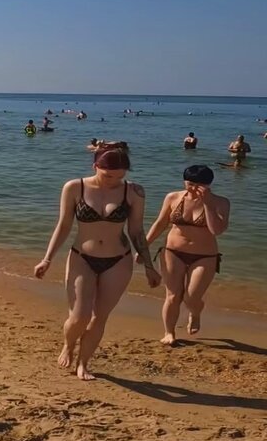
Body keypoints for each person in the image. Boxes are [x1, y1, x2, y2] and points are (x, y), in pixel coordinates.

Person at [33, 147, 159, 380]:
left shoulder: (134, 192)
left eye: (120, 176)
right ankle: (68, 345)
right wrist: (47, 259)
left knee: (99, 317)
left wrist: (149, 265)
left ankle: (84, 363)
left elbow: (136, 231)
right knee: (79, 316)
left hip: (118, 260)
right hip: (82, 257)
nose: (115, 181)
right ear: (95, 167)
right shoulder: (74, 187)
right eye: (109, 175)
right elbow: (63, 226)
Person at [145, 166, 229, 345]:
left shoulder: (220, 202)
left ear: (208, 185)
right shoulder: (173, 197)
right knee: (173, 296)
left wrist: (207, 203)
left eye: (199, 185)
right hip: (172, 252)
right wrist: (143, 248)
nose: (193, 189)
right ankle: (169, 333)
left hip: (204, 256)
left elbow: (216, 230)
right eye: (190, 184)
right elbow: (160, 223)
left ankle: (195, 313)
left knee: (191, 297)